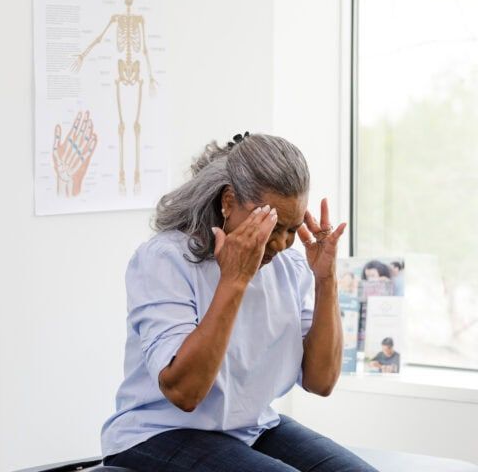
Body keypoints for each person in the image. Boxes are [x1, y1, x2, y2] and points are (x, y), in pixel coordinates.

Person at [101, 133, 377, 471]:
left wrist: (325, 280)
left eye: (291, 230)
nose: (280, 243)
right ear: (229, 201)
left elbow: (321, 381)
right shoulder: (165, 259)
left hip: (249, 428)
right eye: (272, 226)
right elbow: (184, 392)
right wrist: (234, 279)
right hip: (158, 432)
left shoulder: (288, 266)